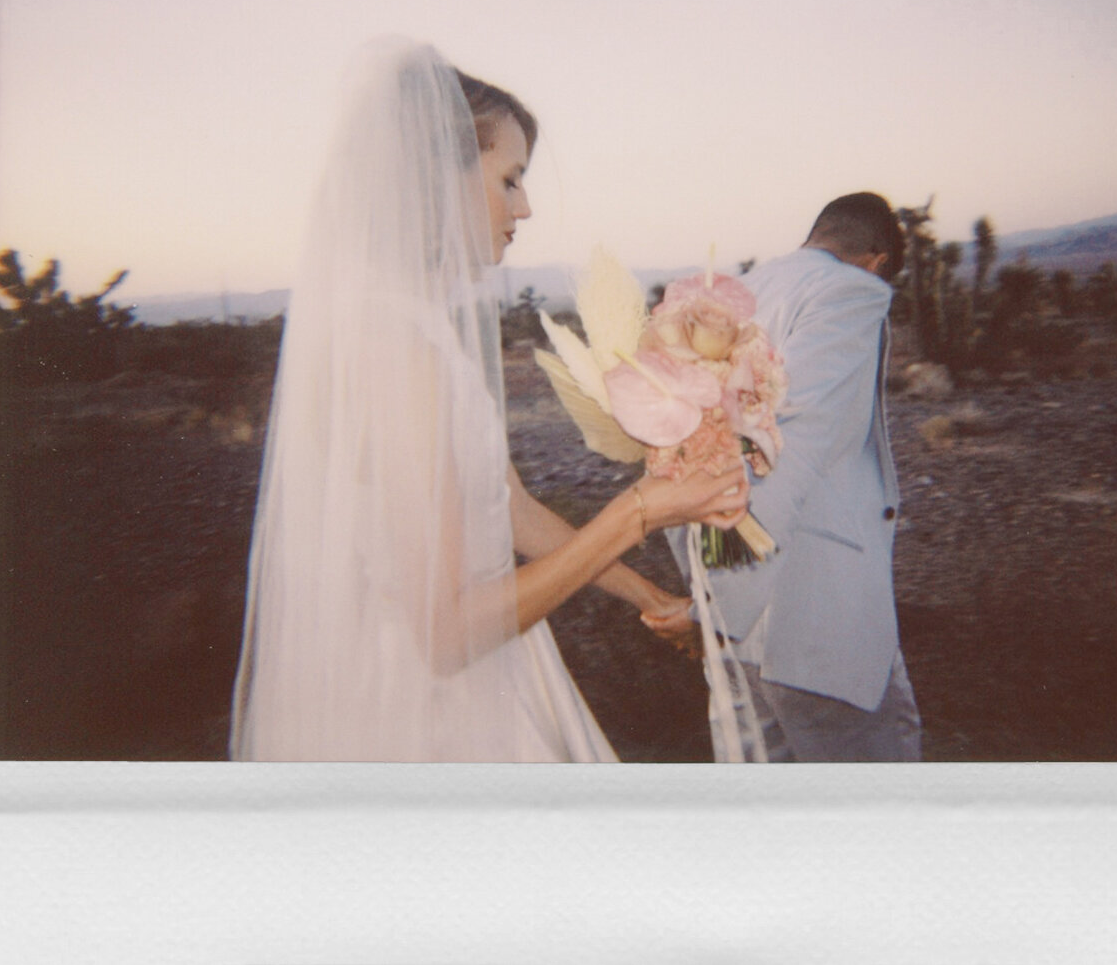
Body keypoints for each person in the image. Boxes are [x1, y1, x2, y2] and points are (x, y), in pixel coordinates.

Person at [229, 39, 747, 761]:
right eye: (510, 178)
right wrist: (637, 511)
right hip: (427, 713)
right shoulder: (392, 346)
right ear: (435, 180)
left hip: (495, 662)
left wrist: (646, 596)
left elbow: (512, 509)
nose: (525, 205)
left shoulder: (416, 328)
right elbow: (444, 634)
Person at [656, 192, 922, 762]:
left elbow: (677, 445)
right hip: (816, 612)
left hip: (732, 610)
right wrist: (719, 608)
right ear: (875, 260)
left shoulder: (734, 295)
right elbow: (793, 441)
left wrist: (705, 587)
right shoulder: (850, 291)